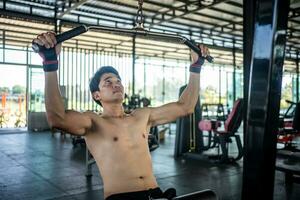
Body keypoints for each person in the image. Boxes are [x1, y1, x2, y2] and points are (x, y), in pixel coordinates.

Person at [33, 31, 209, 200]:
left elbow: (185, 107)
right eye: (108, 82)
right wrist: (50, 64)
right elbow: (57, 118)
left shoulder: (142, 116)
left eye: (118, 81)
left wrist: (196, 67)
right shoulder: (94, 122)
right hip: (122, 197)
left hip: (156, 193)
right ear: (97, 95)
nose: (116, 85)